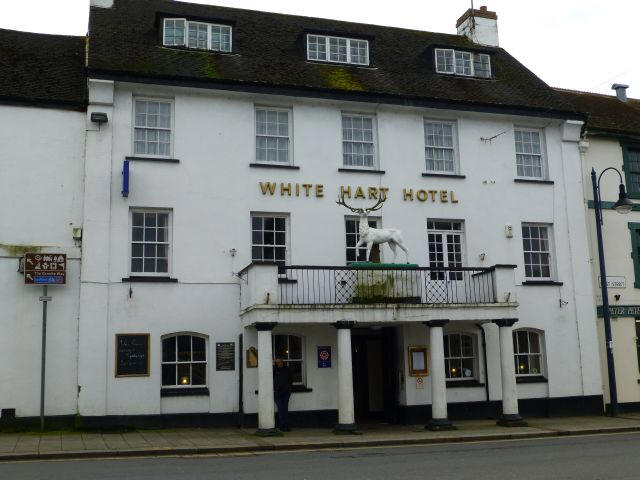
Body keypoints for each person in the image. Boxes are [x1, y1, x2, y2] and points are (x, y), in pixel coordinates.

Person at [273, 358, 293, 431]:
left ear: (282, 362)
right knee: (281, 408)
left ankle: (285, 426)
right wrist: (273, 366)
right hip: (277, 392)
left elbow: (291, 379)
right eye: (277, 362)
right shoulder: (275, 370)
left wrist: (289, 388)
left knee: (284, 408)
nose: (278, 364)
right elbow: (270, 376)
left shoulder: (287, 369)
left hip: (286, 391)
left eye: (280, 362)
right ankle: (283, 425)